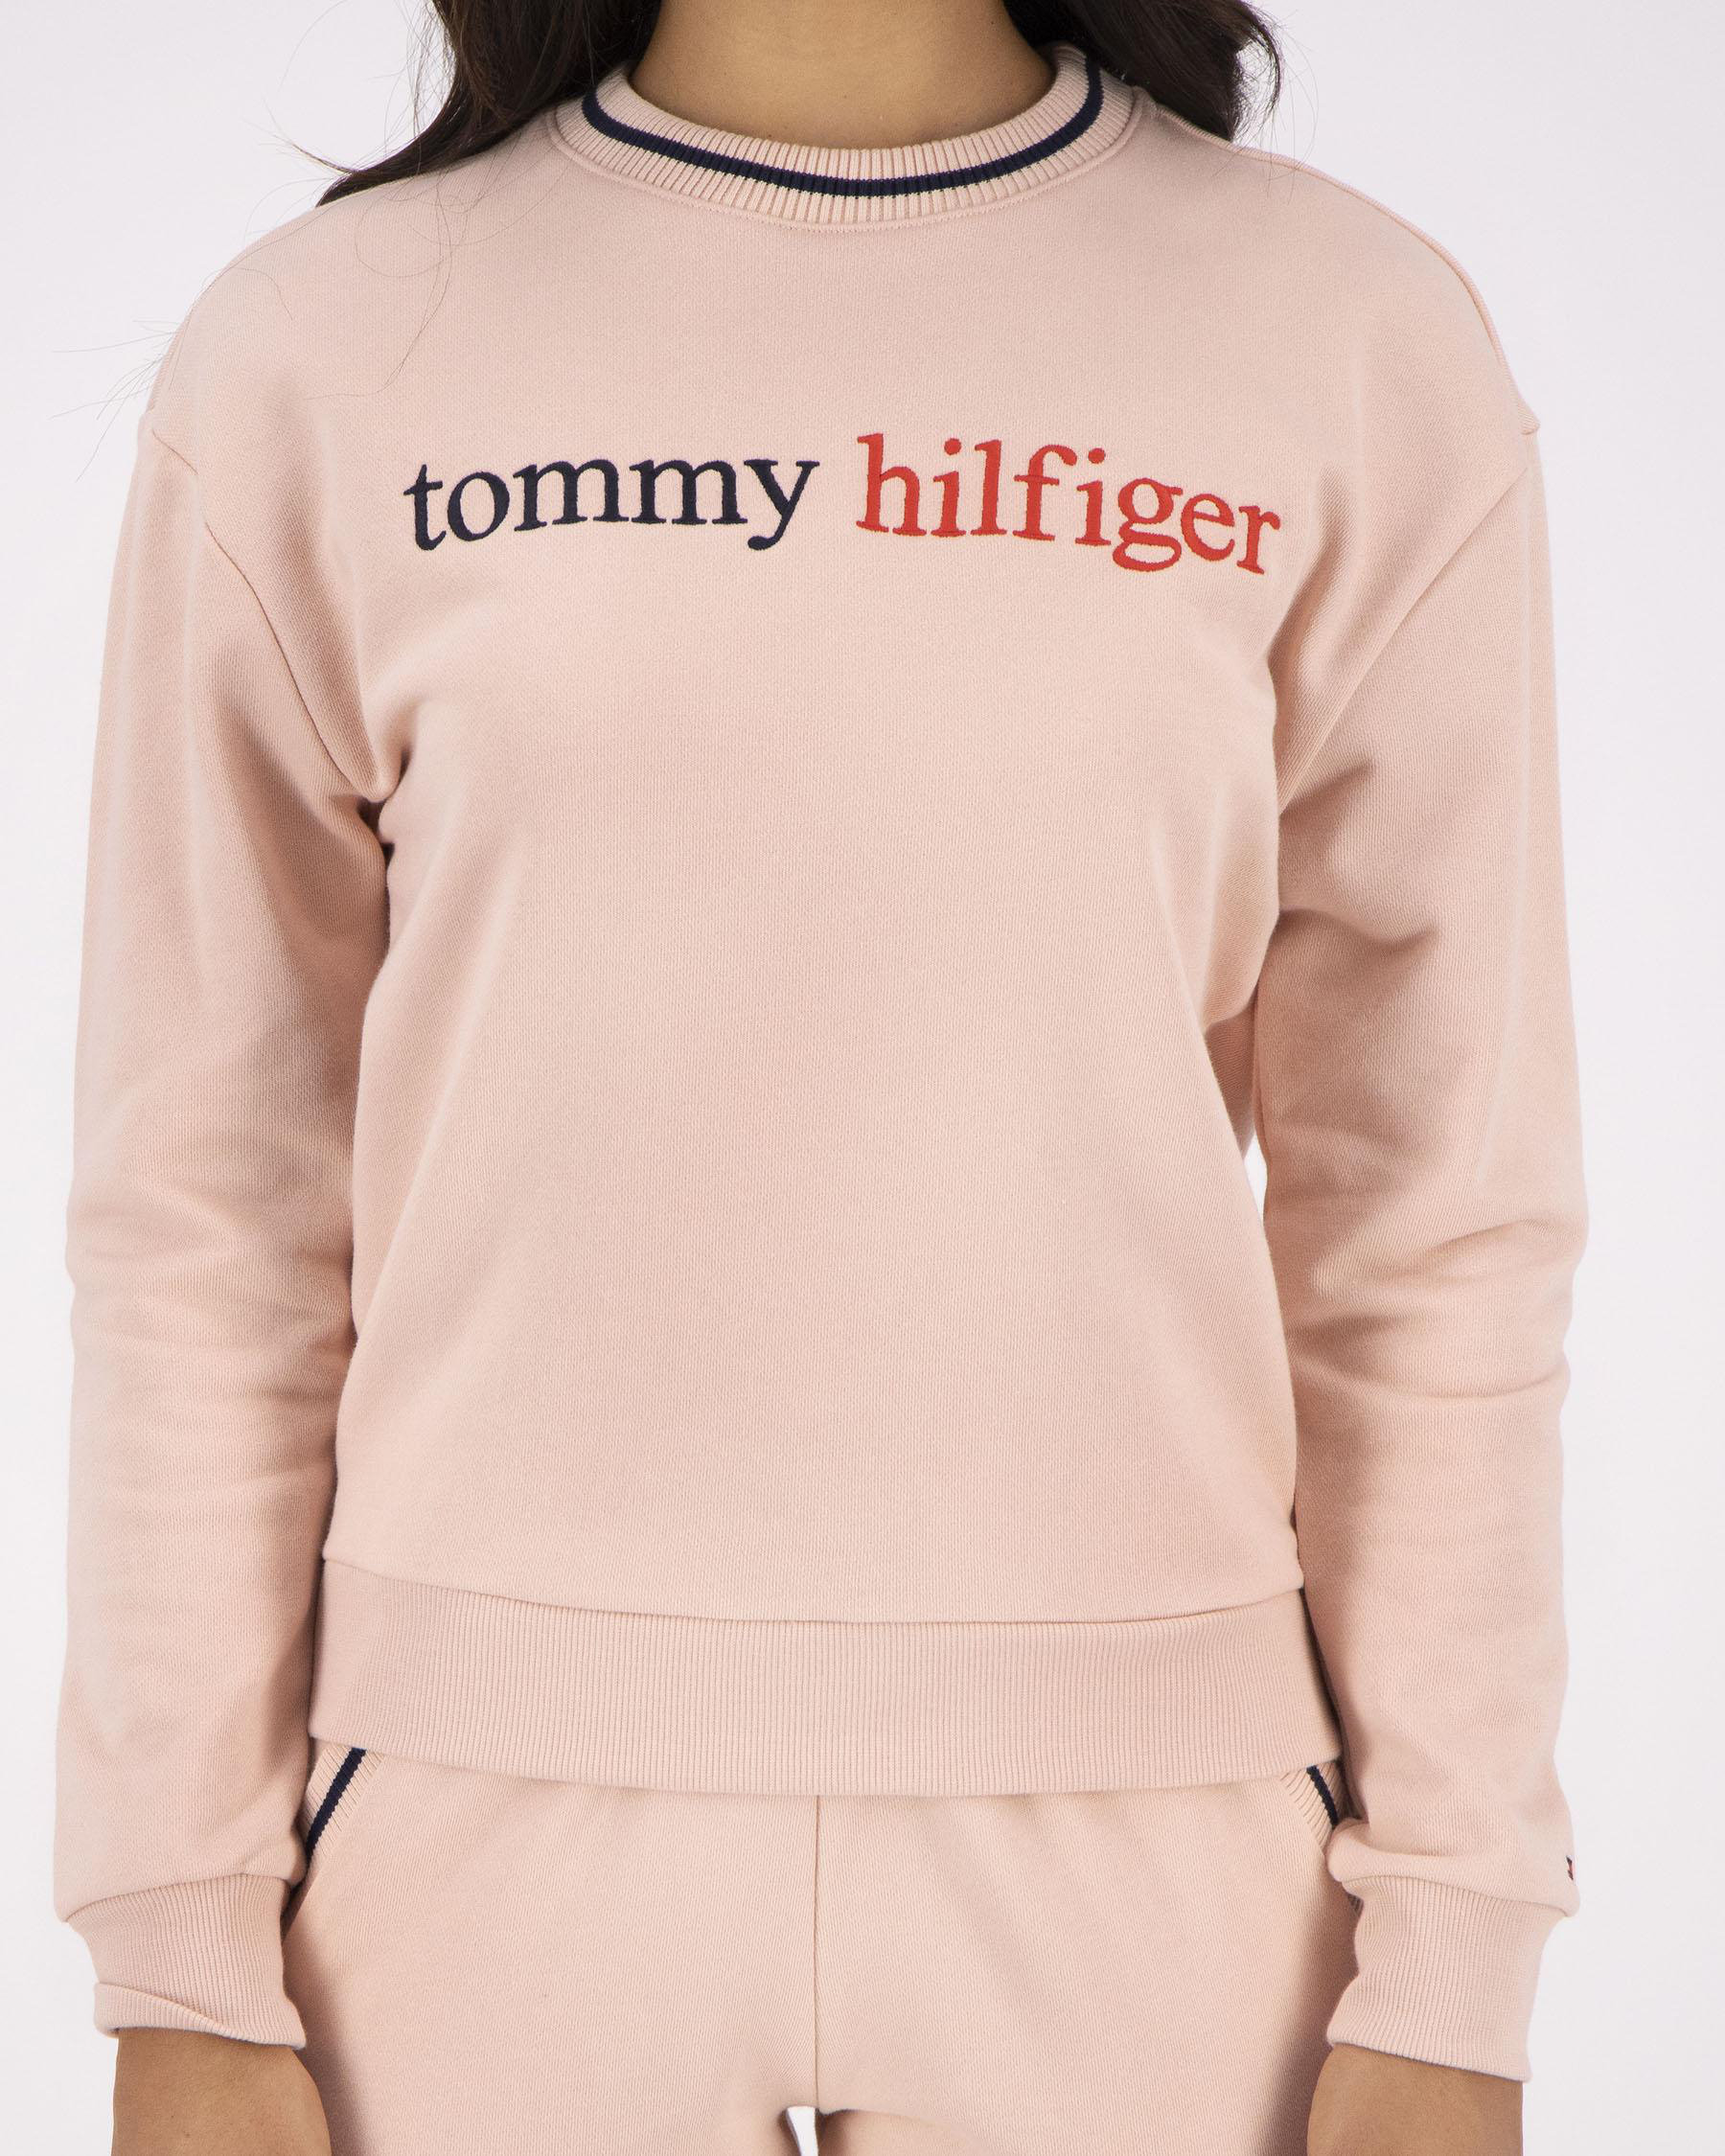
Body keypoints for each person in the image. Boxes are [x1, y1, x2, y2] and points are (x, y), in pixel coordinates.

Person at [55, 2, 1587, 2151]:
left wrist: (1457, 1950)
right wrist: (178, 1944)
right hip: (463, 1861)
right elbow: (207, 1210)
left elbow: (1432, 1217)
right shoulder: (328, 349)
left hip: (1170, 1864)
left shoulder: (1342, 338)